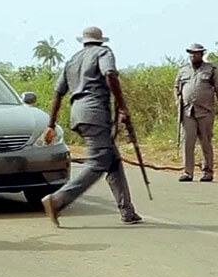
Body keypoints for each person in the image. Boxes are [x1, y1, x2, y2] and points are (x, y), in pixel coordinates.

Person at [40, 26, 142, 227]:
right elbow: (110, 74)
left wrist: (51, 124)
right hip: (95, 112)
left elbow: (58, 93)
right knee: (98, 161)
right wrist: (122, 107)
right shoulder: (104, 52)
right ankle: (58, 200)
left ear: (84, 42)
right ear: (101, 41)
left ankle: (127, 211)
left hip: (78, 114)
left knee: (112, 160)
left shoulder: (73, 60)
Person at [173, 43, 218, 182]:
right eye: (191, 53)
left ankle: (208, 172)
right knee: (187, 142)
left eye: (196, 53)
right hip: (187, 111)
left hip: (205, 111)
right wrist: (177, 100)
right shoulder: (183, 70)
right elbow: (176, 87)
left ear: (202, 54)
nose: (193, 55)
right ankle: (187, 172)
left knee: (206, 142)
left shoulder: (211, 69)